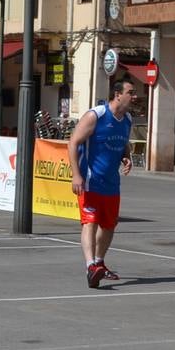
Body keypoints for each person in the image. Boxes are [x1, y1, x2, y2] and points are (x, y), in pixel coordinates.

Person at [68, 76, 137, 288]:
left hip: (111, 183)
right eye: (130, 92)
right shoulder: (96, 116)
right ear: (117, 95)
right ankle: (90, 266)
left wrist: (126, 158)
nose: (134, 97)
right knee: (90, 221)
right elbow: (73, 142)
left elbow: (123, 144)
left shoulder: (127, 120)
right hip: (91, 180)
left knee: (109, 225)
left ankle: (99, 263)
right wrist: (76, 174)